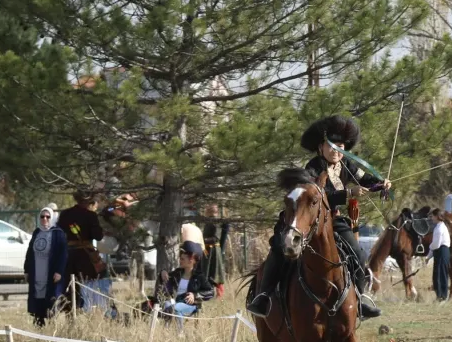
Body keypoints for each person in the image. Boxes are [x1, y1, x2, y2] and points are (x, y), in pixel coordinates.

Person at [247, 115, 391, 320]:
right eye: (331, 146)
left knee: (357, 254)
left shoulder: (347, 164)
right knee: (280, 250)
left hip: (333, 222)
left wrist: (381, 184)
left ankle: (359, 301)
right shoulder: (312, 168)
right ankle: (263, 296)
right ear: (320, 147)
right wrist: (348, 194)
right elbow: (315, 198)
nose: (335, 150)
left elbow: (367, 181)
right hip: (307, 222)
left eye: (340, 146)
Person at [57, 192, 108, 311]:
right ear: (89, 199)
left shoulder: (65, 214)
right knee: (90, 285)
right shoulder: (91, 216)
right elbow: (98, 236)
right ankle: (91, 310)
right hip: (85, 257)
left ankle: (70, 314)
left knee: (69, 287)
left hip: (68, 256)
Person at [24, 204, 68, 326]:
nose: (45, 219)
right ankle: (39, 322)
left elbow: (63, 254)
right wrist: (27, 270)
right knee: (37, 295)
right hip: (37, 270)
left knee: (50, 297)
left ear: (52, 218)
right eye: (42, 216)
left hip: (50, 271)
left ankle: (52, 325)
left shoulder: (58, 233)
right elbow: (29, 252)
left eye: (48, 217)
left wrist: (59, 271)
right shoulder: (37, 232)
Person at [157, 239, 215, 319]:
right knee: (167, 304)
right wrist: (162, 272)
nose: (180, 261)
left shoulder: (199, 276)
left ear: (190, 261)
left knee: (176, 307)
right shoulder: (178, 273)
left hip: (191, 305)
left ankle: (179, 331)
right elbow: (165, 279)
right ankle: (166, 329)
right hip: (175, 301)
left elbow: (211, 292)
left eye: (182, 259)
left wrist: (195, 295)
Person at [429, 210, 452, 302]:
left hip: (442, 251)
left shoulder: (439, 228)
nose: (432, 218)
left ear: (437, 216)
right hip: (440, 252)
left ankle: (442, 296)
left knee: (440, 274)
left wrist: (429, 247)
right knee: (438, 274)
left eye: (433, 216)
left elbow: (436, 245)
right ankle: (440, 295)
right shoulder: (439, 227)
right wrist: (429, 256)